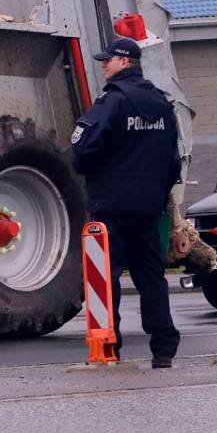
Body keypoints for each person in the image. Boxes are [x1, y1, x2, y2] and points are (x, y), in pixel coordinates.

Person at [70, 37, 182, 368]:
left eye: (108, 60)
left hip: (111, 208)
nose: (104, 65)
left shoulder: (112, 102)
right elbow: (173, 162)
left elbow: (81, 152)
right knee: (152, 278)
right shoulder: (162, 104)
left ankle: (109, 347)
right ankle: (163, 350)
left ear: (125, 62)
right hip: (149, 208)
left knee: (105, 279)